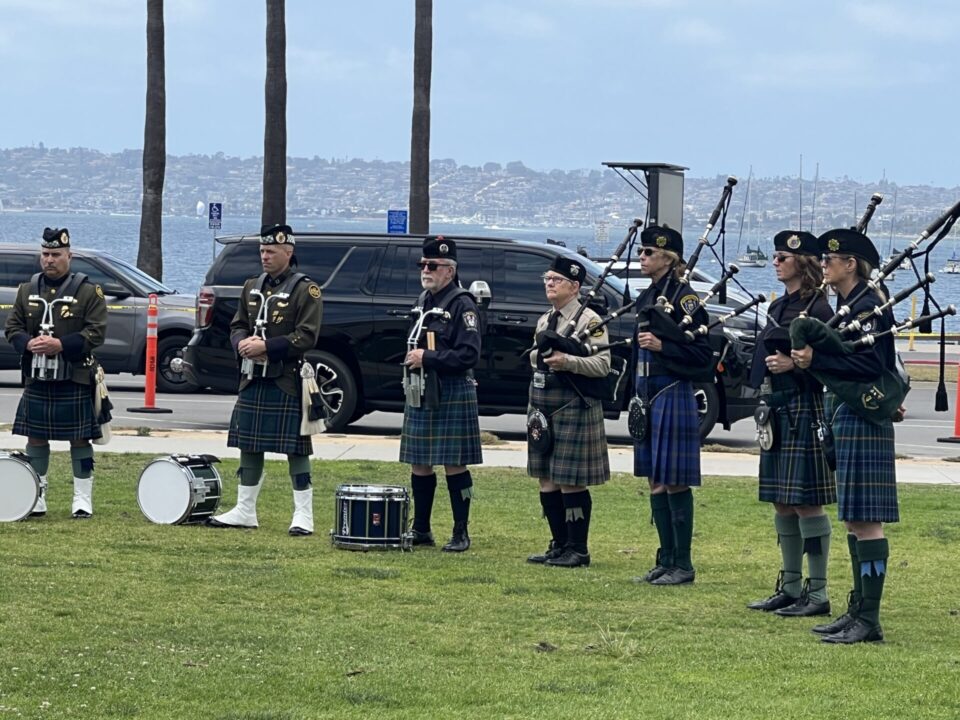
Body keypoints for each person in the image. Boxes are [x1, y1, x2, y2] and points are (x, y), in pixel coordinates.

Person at [791, 228, 897, 644]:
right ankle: (858, 609)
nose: (823, 266)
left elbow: (870, 366)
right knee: (855, 518)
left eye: (830, 261)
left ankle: (869, 619)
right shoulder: (852, 304)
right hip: (848, 412)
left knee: (867, 521)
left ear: (850, 264)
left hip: (864, 417)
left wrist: (818, 358)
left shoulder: (869, 305)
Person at [208, 224, 323, 535]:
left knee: (296, 448)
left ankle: (303, 514)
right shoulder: (251, 286)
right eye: (262, 250)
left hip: (285, 377)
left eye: (271, 251)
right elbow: (237, 325)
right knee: (248, 443)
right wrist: (242, 345)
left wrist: (267, 347)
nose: (265, 256)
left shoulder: (305, 289)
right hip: (252, 377)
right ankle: (245, 509)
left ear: (289, 253)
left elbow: (307, 335)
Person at [746, 231, 837, 617]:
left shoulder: (820, 310)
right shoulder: (781, 305)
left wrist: (795, 366)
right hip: (778, 407)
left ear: (804, 262)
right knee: (782, 501)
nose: (776, 262)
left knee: (806, 503)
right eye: (776, 256)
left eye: (783, 257)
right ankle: (790, 585)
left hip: (806, 406)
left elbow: (835, 366)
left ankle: (817, 594)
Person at [5, 227, 107, 518]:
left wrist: (60, 344)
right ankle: (37, 496)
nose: (49, 260)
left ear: (69, 256)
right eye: (45, 254)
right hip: (37, 377)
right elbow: (12, 328)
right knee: (36, 438)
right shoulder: (28, 290)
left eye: (56, 255)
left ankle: (82, 499)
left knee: (80, 439)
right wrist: (30, 344)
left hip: (74, 375)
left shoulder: (88, 291)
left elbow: (96, 333)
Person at [632, 225, 713, 585]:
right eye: (641, 252)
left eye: (648, 253)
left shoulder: (685, 300)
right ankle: (665, 558)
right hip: (646, 390)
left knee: (674, 480)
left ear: (669, 258)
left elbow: (702, 355)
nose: (642, 258)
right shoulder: (648, 296)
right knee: (654, 479)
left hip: (672, 388)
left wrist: (664, 347)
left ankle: (683, 563)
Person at [526, 256, 610, 568]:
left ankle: (578, 548)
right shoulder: (546, 319)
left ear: (574, 287)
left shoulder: (590, 321)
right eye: (547, 278)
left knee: (570, 480)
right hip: (543, 402)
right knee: (546, 478)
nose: (549, 283)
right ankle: (559, 544)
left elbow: (603, 365)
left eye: (556, 280)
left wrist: (569, 362)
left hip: (574, 402)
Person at [400, 236, 483, 552]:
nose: (426, 270)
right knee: (419, 462)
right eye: (423, 264)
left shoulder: (463, 304)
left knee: (454, 463)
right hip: (422, 388)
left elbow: (468, 355)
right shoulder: (424, 300)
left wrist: (428, 358)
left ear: (449, 270)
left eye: (432, 266)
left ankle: (461, 532)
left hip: (450, 388)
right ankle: (421, 529)